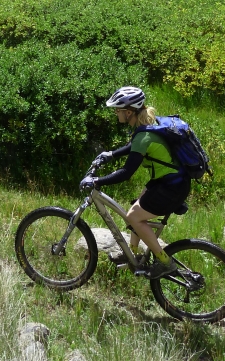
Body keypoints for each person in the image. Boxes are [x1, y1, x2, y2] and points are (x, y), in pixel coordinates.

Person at [79, 86, 191, 279]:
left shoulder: (143, 135)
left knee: (134, 217)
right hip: (170, 182)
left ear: (128, 112)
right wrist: (111, 154)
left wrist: (96, 181)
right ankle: (133, 253)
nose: (116, 113)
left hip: (171, 187)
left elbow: (126, 172)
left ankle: (165, 262)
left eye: (118, 110)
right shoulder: (147, 127)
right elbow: (135, 146)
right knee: (136, 207)